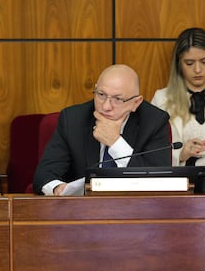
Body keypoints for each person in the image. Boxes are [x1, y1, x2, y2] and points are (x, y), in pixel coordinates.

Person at [34, 64, 171, 196]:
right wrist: (57, 188)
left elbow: (158, 180)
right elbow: (44, 175)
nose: (105, 106)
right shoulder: (73, 120)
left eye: (117, 99)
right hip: (82, 212)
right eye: (101, 95)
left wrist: (116, 143)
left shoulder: (154, 122)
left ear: (135, 103)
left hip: (134, 211)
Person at [151, 28, 205, 184]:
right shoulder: (161, 99)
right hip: (182, 179)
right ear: (178, 64)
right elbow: (152, 152)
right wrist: (182, 153)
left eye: (204, 62)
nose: (197, 70)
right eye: (189, 63)